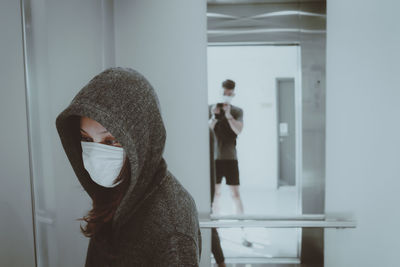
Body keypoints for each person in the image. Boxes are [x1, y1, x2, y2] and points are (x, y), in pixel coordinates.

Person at [55, 67, 202, 266]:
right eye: (86, 138)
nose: (97, 155)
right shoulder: (118, 191)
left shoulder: (171, 225)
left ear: (140, 141)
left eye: (110, 141)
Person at [208, 79, 252, 247]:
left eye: (229, 94)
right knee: (216, 196)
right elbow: (207, 130)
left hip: (231, 158)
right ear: (220, 92)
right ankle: (216, 230)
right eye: (224, 93)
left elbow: (238, 130)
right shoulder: (211, 108)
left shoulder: (237, 111)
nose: (226, 96)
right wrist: (214, 116)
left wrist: (227, 116)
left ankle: (242, 231)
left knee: (235, 194)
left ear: (233, 94)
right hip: (215, 159)